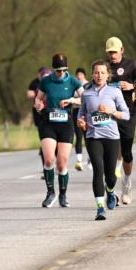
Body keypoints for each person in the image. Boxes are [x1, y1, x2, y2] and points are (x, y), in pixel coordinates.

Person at [77, 60, 130, 221]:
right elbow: (81, 114)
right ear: (92, 74)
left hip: (112, 138)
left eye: (102, 72)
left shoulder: (114, 92)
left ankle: (111, 191)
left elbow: (126, 115)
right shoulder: (86, 93)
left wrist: (111, 111)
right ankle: (100, 207)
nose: (99, 75)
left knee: (110, 175)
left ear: (108, 74)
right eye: (96, 72)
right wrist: (81, 122)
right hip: (93, 137)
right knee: (98, 171)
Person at [33, 54, 83, 208]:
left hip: (66, 123)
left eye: (62, 70)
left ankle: (63, 194)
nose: (60, 73)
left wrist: (72, 100)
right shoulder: (46, 81)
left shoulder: (73, 81)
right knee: (49, 160)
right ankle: (50, 193)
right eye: (57, 70)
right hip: (48, 122)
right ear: (54, 69)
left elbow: (86, 99)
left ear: (66, 69)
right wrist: (39, 105)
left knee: (62, 163)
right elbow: (38, 99)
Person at [105, 37, 136, 205]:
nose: (112, 55)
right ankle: (111, 190)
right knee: (111, 150)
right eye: (110, 52)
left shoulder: (131, 65)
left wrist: (133, 87)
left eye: (115, 52)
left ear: (122, 50)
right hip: (109, 114)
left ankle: (127, 183)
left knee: (127, 152)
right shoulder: (105, 68)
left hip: (127, 114)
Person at [28, 67, 52, 177]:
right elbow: (31, 96)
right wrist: (39, 104)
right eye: (44, 78)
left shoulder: (57, 87)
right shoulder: (38, 89)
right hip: (42, 118)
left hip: (57, 120)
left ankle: (53, 163)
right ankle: (45, 168)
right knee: (44, 144)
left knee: (55, 146)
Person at [72, 67, 89, 171]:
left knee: (88, 136)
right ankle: (79, 161)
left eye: (81, 74)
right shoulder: (73, 85)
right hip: (76, 112)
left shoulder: (89, 85)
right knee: (78, 136)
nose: (79, 76)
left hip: (87, 113)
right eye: (77, 74)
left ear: (84, 75)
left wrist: (74, 100)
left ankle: (91, 159)